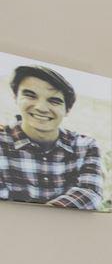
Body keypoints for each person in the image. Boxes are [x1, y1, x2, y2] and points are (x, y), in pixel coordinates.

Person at [2, 63, 106, 209]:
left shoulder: (85, 146)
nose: (41, 108)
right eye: (30, 95)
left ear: (67, 110)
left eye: (54, 101)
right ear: (15, 98)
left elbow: (90, 194)